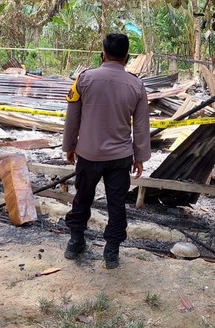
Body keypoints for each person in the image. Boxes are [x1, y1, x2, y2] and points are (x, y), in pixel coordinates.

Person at [62, 33, 151, 269]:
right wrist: (140, 157)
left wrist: (69, 146)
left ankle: (75, 241)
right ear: (127, 57)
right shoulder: (137, 86)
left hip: (88, 155)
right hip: (120, 158)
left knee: (82, 198)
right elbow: (142, 126)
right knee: (117, 204)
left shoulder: (83, 79)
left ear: (103, 54)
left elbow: (72, 117)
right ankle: (111, 252)